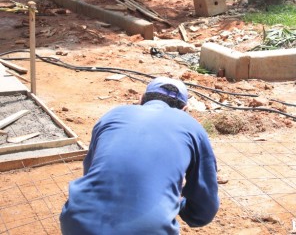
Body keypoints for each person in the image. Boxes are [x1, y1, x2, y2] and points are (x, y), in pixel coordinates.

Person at [60, 77, 220, 234]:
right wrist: (179, 206)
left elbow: (91, 172)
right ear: (185, 109)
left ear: (140, 99)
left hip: (77, 221)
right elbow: (203, 209)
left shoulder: (112, 115)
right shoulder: (192, 128)